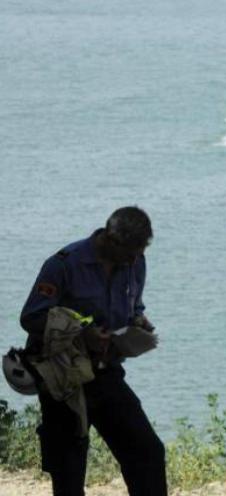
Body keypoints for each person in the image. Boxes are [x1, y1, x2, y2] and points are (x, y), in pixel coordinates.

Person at [19, 206, 167, 496]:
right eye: (130, 252)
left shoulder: (135, 263)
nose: (135, 259)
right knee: (69, 472)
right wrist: (81, 333)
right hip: (63, 379)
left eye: (140, 251)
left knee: (147, 452)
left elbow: (133, 305)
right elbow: (31, 318)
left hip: (106, 373)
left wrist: (138, 321)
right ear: (110, 240)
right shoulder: (63, 265)